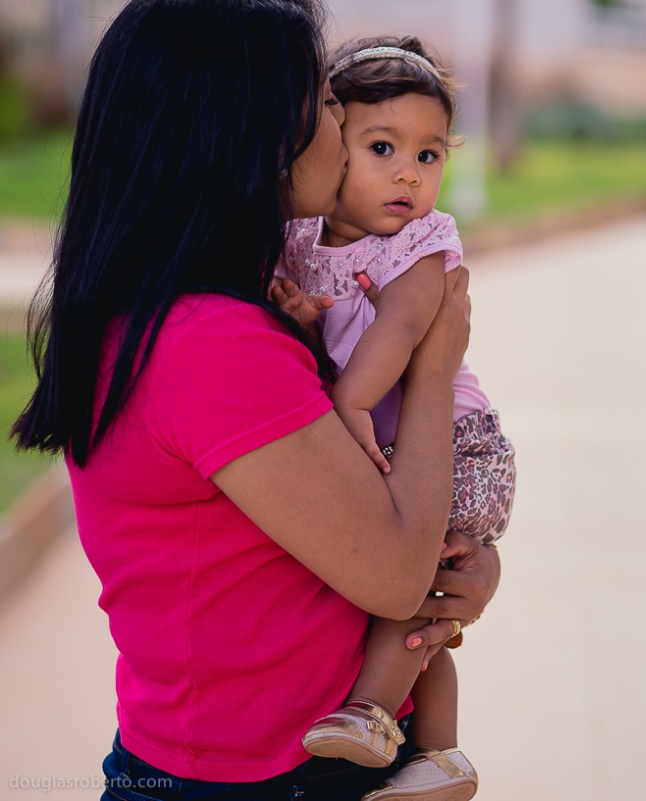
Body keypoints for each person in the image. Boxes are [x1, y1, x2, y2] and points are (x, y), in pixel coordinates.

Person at [9, 2, 500, 800]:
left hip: (247, 760)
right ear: (257, 130)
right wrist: (434, 370)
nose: (344, 118)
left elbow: (359, 533)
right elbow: (394, 572)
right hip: (262, 778)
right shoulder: (210, 344)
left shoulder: (195, 307)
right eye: (325, 98)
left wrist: (464, 563)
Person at [272, 35, 514, 801]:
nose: (410, 172)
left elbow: (405, 329)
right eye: (383, 147)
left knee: (410, 590)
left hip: (458, 444)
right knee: (415, 602)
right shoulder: (303, 237)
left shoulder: (420, 242)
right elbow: (330, 334)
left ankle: (376, 713)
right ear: (330, 145)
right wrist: (306, 322)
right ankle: (436, 752)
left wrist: (348, 403)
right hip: (396, 435)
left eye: (430, 154)